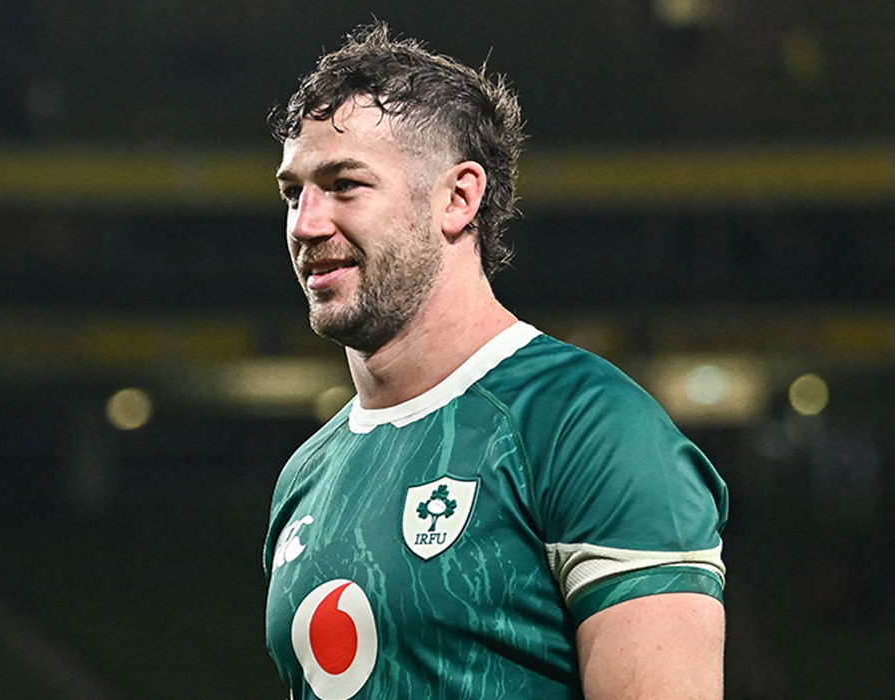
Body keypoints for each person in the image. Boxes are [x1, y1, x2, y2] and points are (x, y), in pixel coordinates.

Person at [263, 22, 728, 700]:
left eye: (344, 185)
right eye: (293, 192)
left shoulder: (587, 428)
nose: (305, 224)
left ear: (459, 199)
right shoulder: (306, 477)